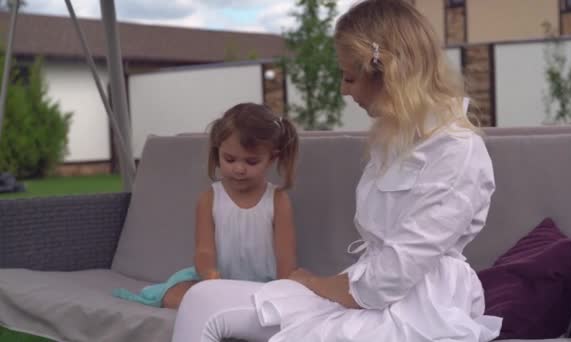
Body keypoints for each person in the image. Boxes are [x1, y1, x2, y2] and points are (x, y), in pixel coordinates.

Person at [171, 0, 503, 341]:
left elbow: (392, 274)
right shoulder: (396, 141)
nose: (344, 90)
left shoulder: (455, 151)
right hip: (363, 290)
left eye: (349, 77)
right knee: (201, 299)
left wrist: (315, 284)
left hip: (419, 308)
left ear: (388, 74)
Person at [113, 103, 299, 310]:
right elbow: (204, 251)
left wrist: (282, 291)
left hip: (264, 285)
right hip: (217, 282)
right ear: (217, 152)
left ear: (272, 158)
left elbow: (286, 257)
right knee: (174, 293)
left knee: (295, 287)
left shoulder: (277, 200)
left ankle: (239, 306)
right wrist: (210, 275)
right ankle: (231, 305)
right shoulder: (209, 199)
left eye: (251, 162)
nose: (239, 169)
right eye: (229, 159)